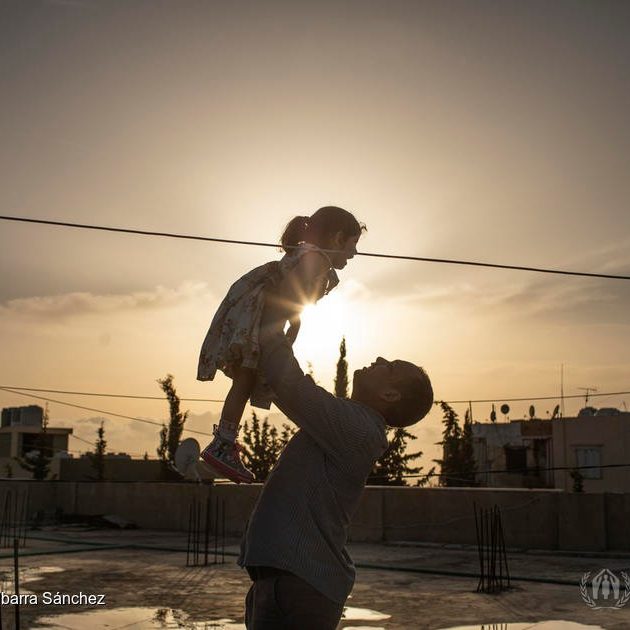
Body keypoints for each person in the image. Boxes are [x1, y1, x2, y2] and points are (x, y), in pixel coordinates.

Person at [239, 289, 434, 629]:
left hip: (301, 584)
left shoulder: (358, 429)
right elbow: (284, 385)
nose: (377, 361)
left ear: (389, 395)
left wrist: (272, 317)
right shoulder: (346, 423)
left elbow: (291, 386)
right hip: (285, 580)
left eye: (387, 367)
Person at [197, 206, 365, 483]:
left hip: (257, 317)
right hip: (262, 323)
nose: (355, 252)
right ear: (337, 238)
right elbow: (289, 292)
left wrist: (292, 322)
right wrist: (278, 331)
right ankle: (223, 445)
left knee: (244, 380)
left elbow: (290, 295)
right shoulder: (317, 260)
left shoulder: (307, 255)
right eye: (353, 243)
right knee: (254, 379)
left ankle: (224, 442)